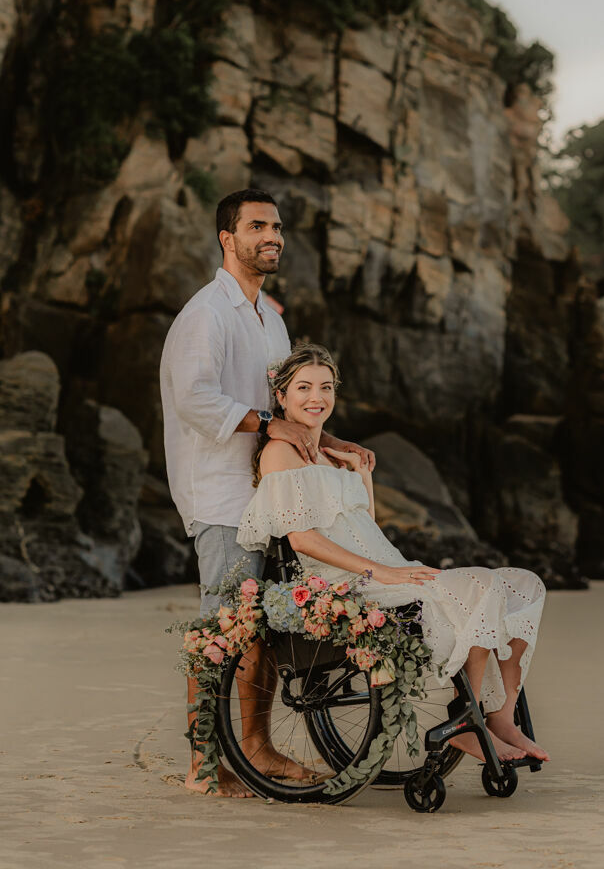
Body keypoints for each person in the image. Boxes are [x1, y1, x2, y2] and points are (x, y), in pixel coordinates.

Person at [237, 343, 550, 765]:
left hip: (387, 566)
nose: (317, 398)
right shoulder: (280, 453)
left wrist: (361, 476)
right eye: (304, 388)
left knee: (526, 584)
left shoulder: (333, 454)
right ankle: (468, 722)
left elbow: (365, 526)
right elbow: (303, 540)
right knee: (484, 585)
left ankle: (501, 716)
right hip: (347, 581)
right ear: (281, 396)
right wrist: (382, 573)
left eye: (326, 387)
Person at [159, 190, 375, 797]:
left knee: (259, 630)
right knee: (222, 626)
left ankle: (256, 748)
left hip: (271, 492)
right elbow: (195, 399)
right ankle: (204, 765)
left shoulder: (269, 317)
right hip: (221, 495)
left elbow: (288, 402)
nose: (271, 236)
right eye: (257, 226)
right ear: (227, 239)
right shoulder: (206, 314)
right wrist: (267, 422)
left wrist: (331, 441)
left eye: (276, 226)